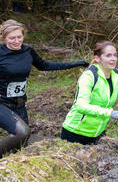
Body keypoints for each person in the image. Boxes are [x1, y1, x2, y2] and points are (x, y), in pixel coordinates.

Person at [0, 19, 89, 157]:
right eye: (12, 38)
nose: (17, 41)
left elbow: (44, 65)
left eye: (19, 37)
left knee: (21, 144)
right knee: (22, 132)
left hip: (19, 103)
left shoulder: (28, 51)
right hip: (1, 103)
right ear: (4, 38)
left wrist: (73, 64)